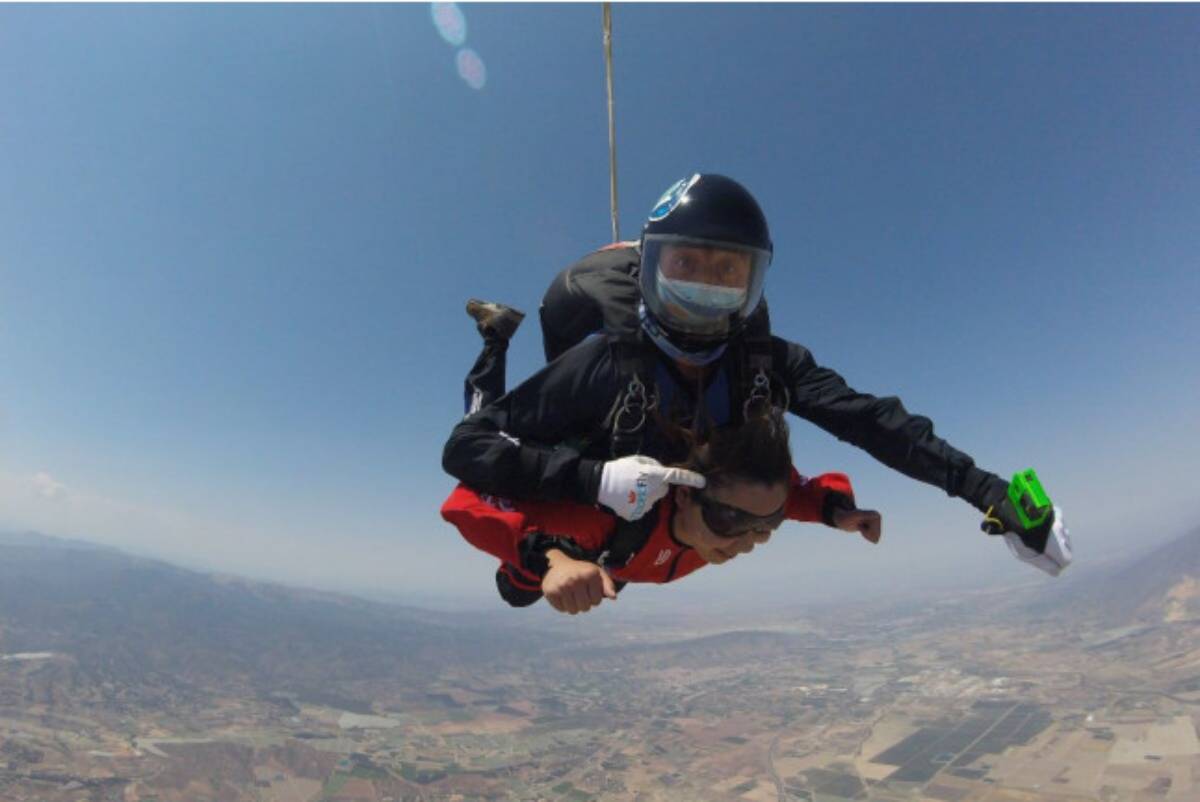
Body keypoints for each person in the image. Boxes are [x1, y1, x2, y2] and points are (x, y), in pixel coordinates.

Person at [443, 174, 1071, 576]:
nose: (704, 292)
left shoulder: (763, 362)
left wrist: (986, 490)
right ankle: (495, 338)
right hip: (597, 435)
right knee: (516, 520)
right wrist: (592, 478)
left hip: (658, 472)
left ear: (753, 285)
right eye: (688, 266)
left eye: (727, 275)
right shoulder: (610, 362)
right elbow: (467, 447)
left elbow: (874, 422)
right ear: (653, 271)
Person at [444, 306, 882, 613]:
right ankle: (495, 338)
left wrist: (836, 511)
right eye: (731, 524)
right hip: (585, 533)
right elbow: (467, 499)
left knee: (613, 574)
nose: (746, 543)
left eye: (766, 530)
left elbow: (791, 496)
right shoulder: (605, 519)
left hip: (628, 556)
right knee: (517, 593)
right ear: (686, 496)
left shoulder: (747, 498)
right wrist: (550, 562)